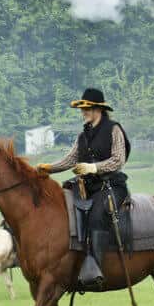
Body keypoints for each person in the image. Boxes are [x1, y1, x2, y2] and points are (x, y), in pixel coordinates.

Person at [38, 88, 131, 289]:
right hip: (87, 187)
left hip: (110, 185)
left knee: (97, 215)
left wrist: (94, 167)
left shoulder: (114, 129)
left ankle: (94, 270)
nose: (83, 112)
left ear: (98, 109)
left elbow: (118, 159)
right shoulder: (83, 134)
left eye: (87, 108)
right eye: (82, 109)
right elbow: (70, 159)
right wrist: (48, 168)